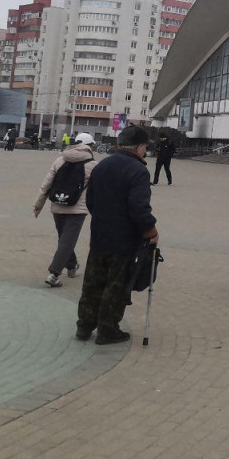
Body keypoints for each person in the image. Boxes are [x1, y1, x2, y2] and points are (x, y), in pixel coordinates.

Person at [76, 125, 158, 345]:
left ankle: (84, 325)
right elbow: (139, 208)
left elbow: (91, 200)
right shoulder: (138, 170)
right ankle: (107, 330)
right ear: (140, 147)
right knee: (116, 285)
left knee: (92, 282)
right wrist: (151, 231)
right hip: (124, 240)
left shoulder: (102, 165)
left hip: (100, 234)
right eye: (145, 147)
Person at [33, 133, 99, 287]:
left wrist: (38, 205)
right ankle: (54, 274)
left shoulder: (60, 160)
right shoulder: (93, 165)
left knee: (64, 239)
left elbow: (46, 185)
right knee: (67, 240)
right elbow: (99, 190)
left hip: (57, 205)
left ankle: (72, 265)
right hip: (78, 209)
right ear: (89, 146)